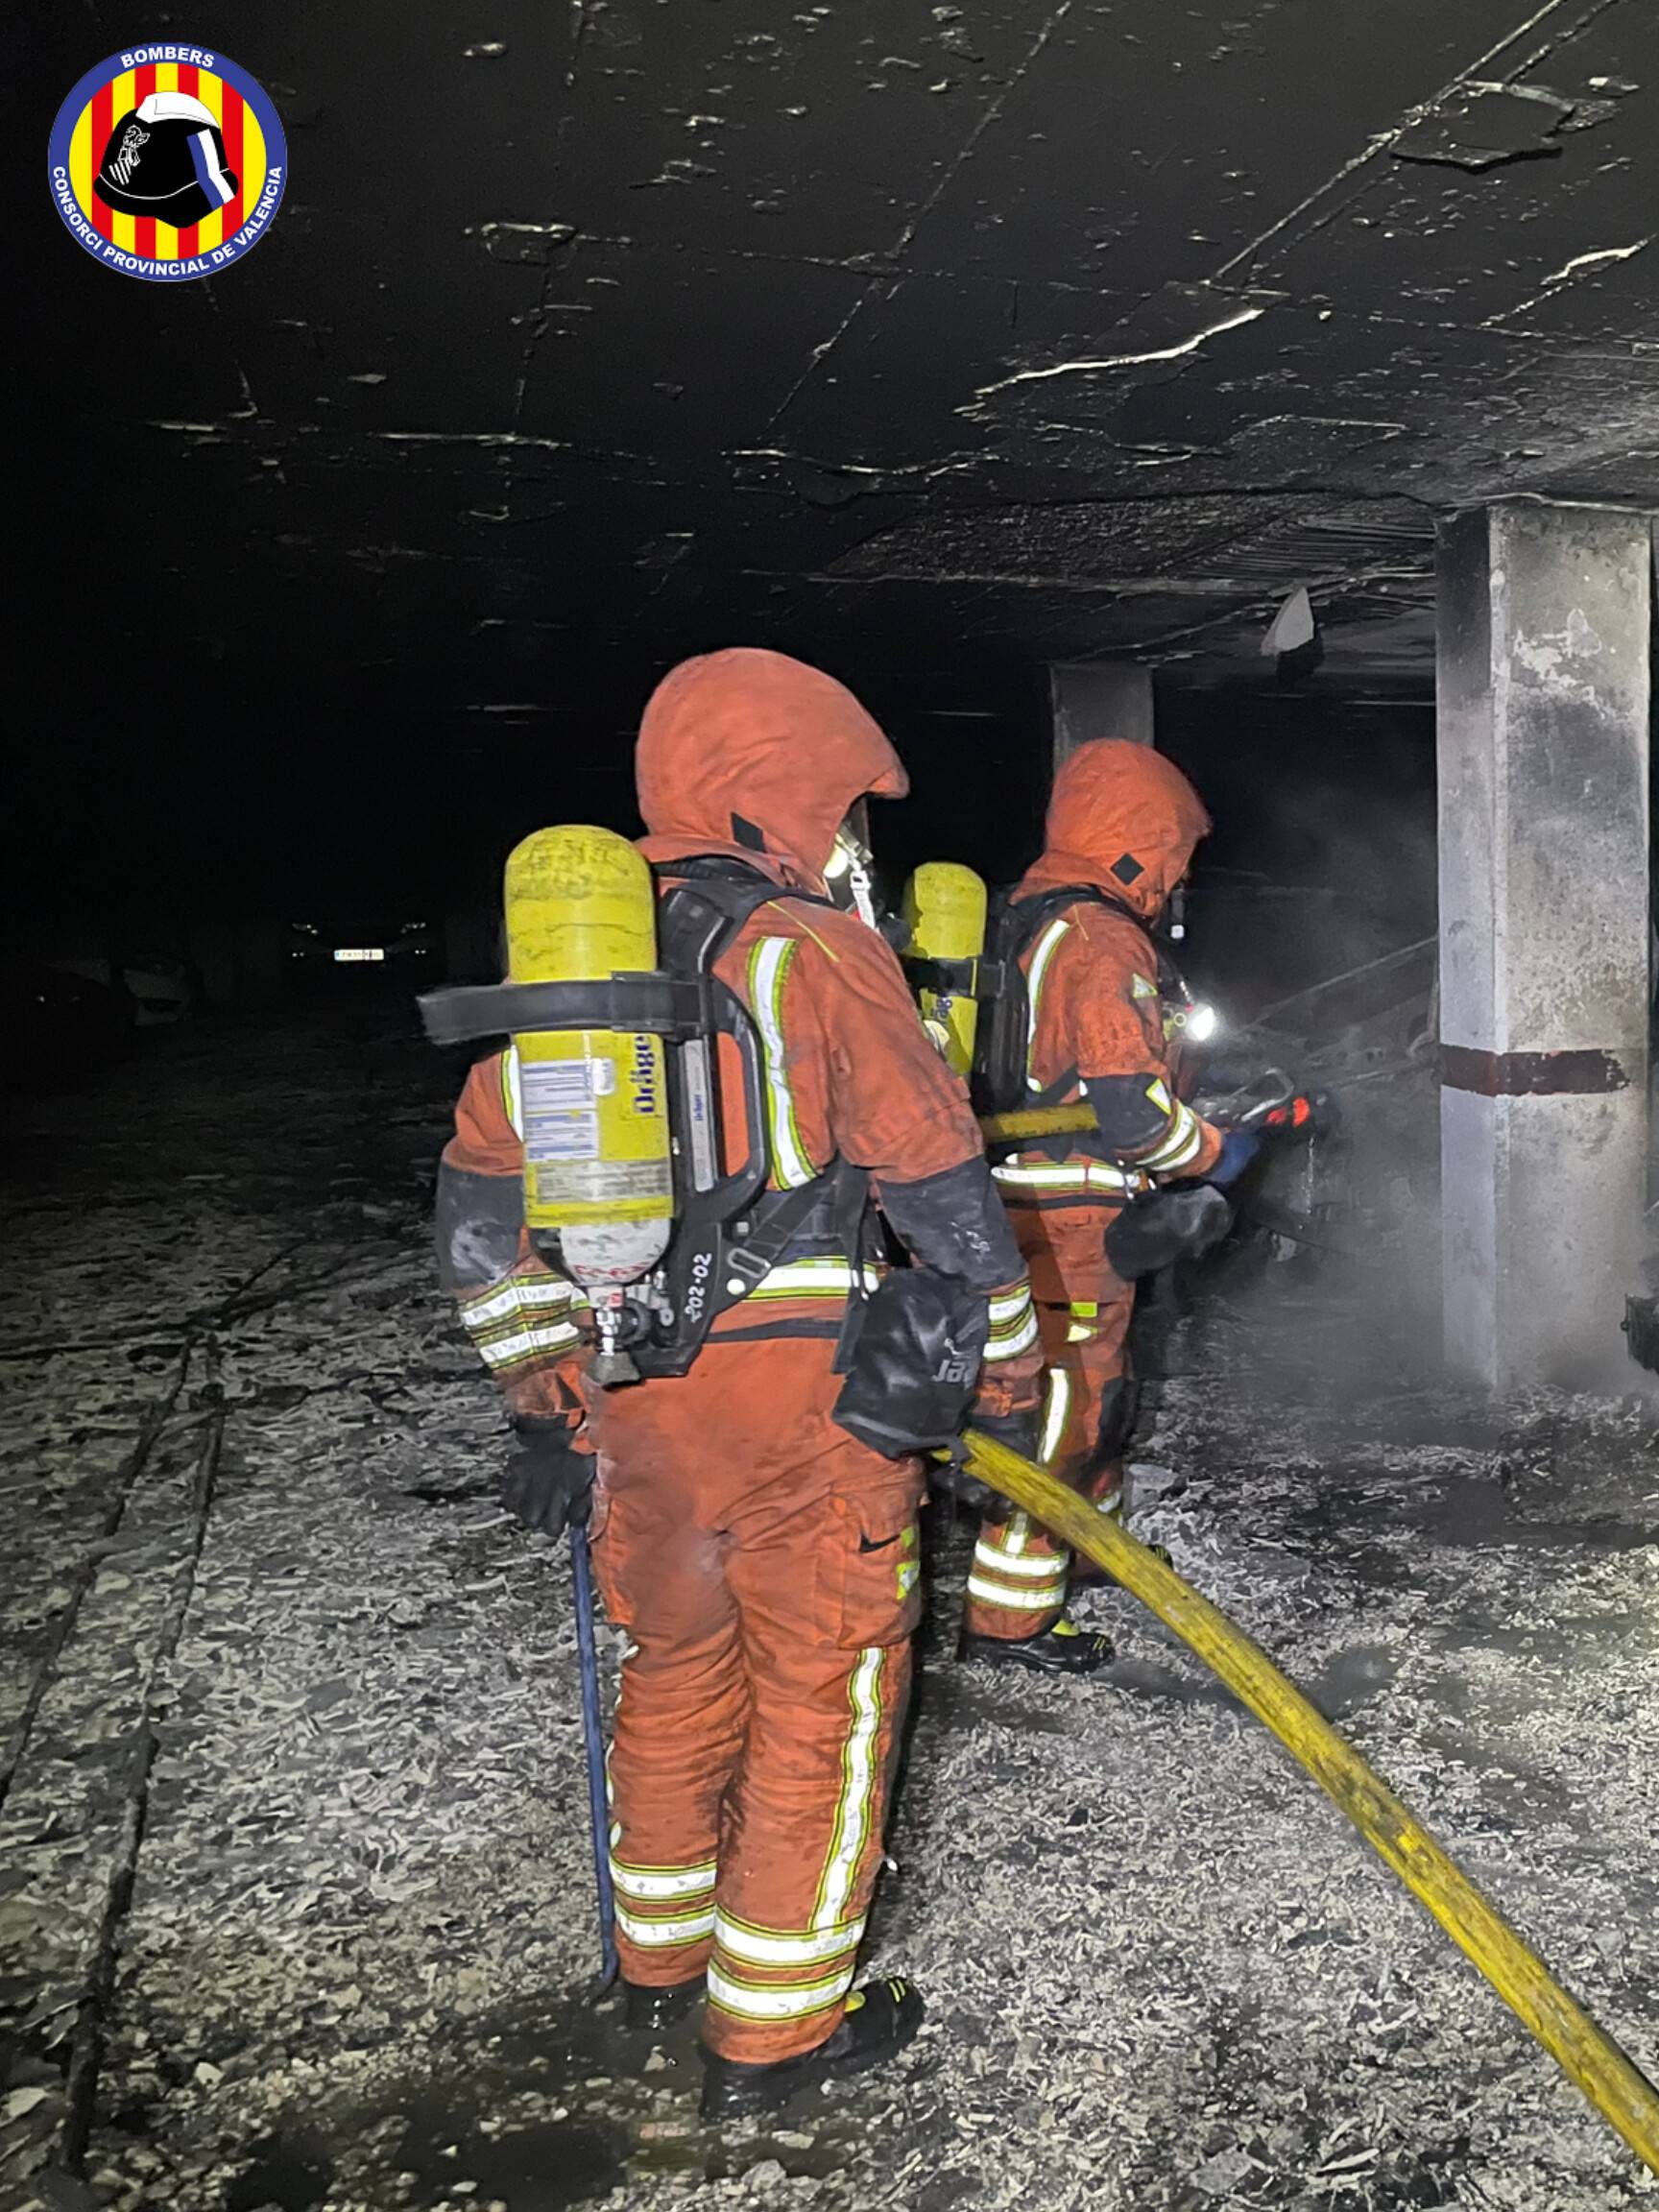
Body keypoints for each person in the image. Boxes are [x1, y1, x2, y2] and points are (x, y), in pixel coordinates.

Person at [435, 648, 1046, 2118]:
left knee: (677, 1673)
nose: (854, 844)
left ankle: (655, 1978)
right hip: (801, 1414)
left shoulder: (574, 967)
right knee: (821, 1702)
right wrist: (1012, 1373)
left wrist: (542, 1401)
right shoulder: (811, 948)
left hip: (637, 1407)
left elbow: (474, 1207)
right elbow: (939, 1179)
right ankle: (773, 2039)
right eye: (845, 810)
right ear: (782, 801)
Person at [957, 739, 1252, 1670]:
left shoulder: (1026, 920)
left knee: (1101, 1394)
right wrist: (1215, 1153)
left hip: (1016, 1199)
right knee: (1069, 1413)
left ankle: (1092, 1558)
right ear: (1137, 843)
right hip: (1069, 1214)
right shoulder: (1101, 936)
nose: (1179, 876)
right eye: (1174, 855)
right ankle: (1012, 1624)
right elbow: (1128, 1111)